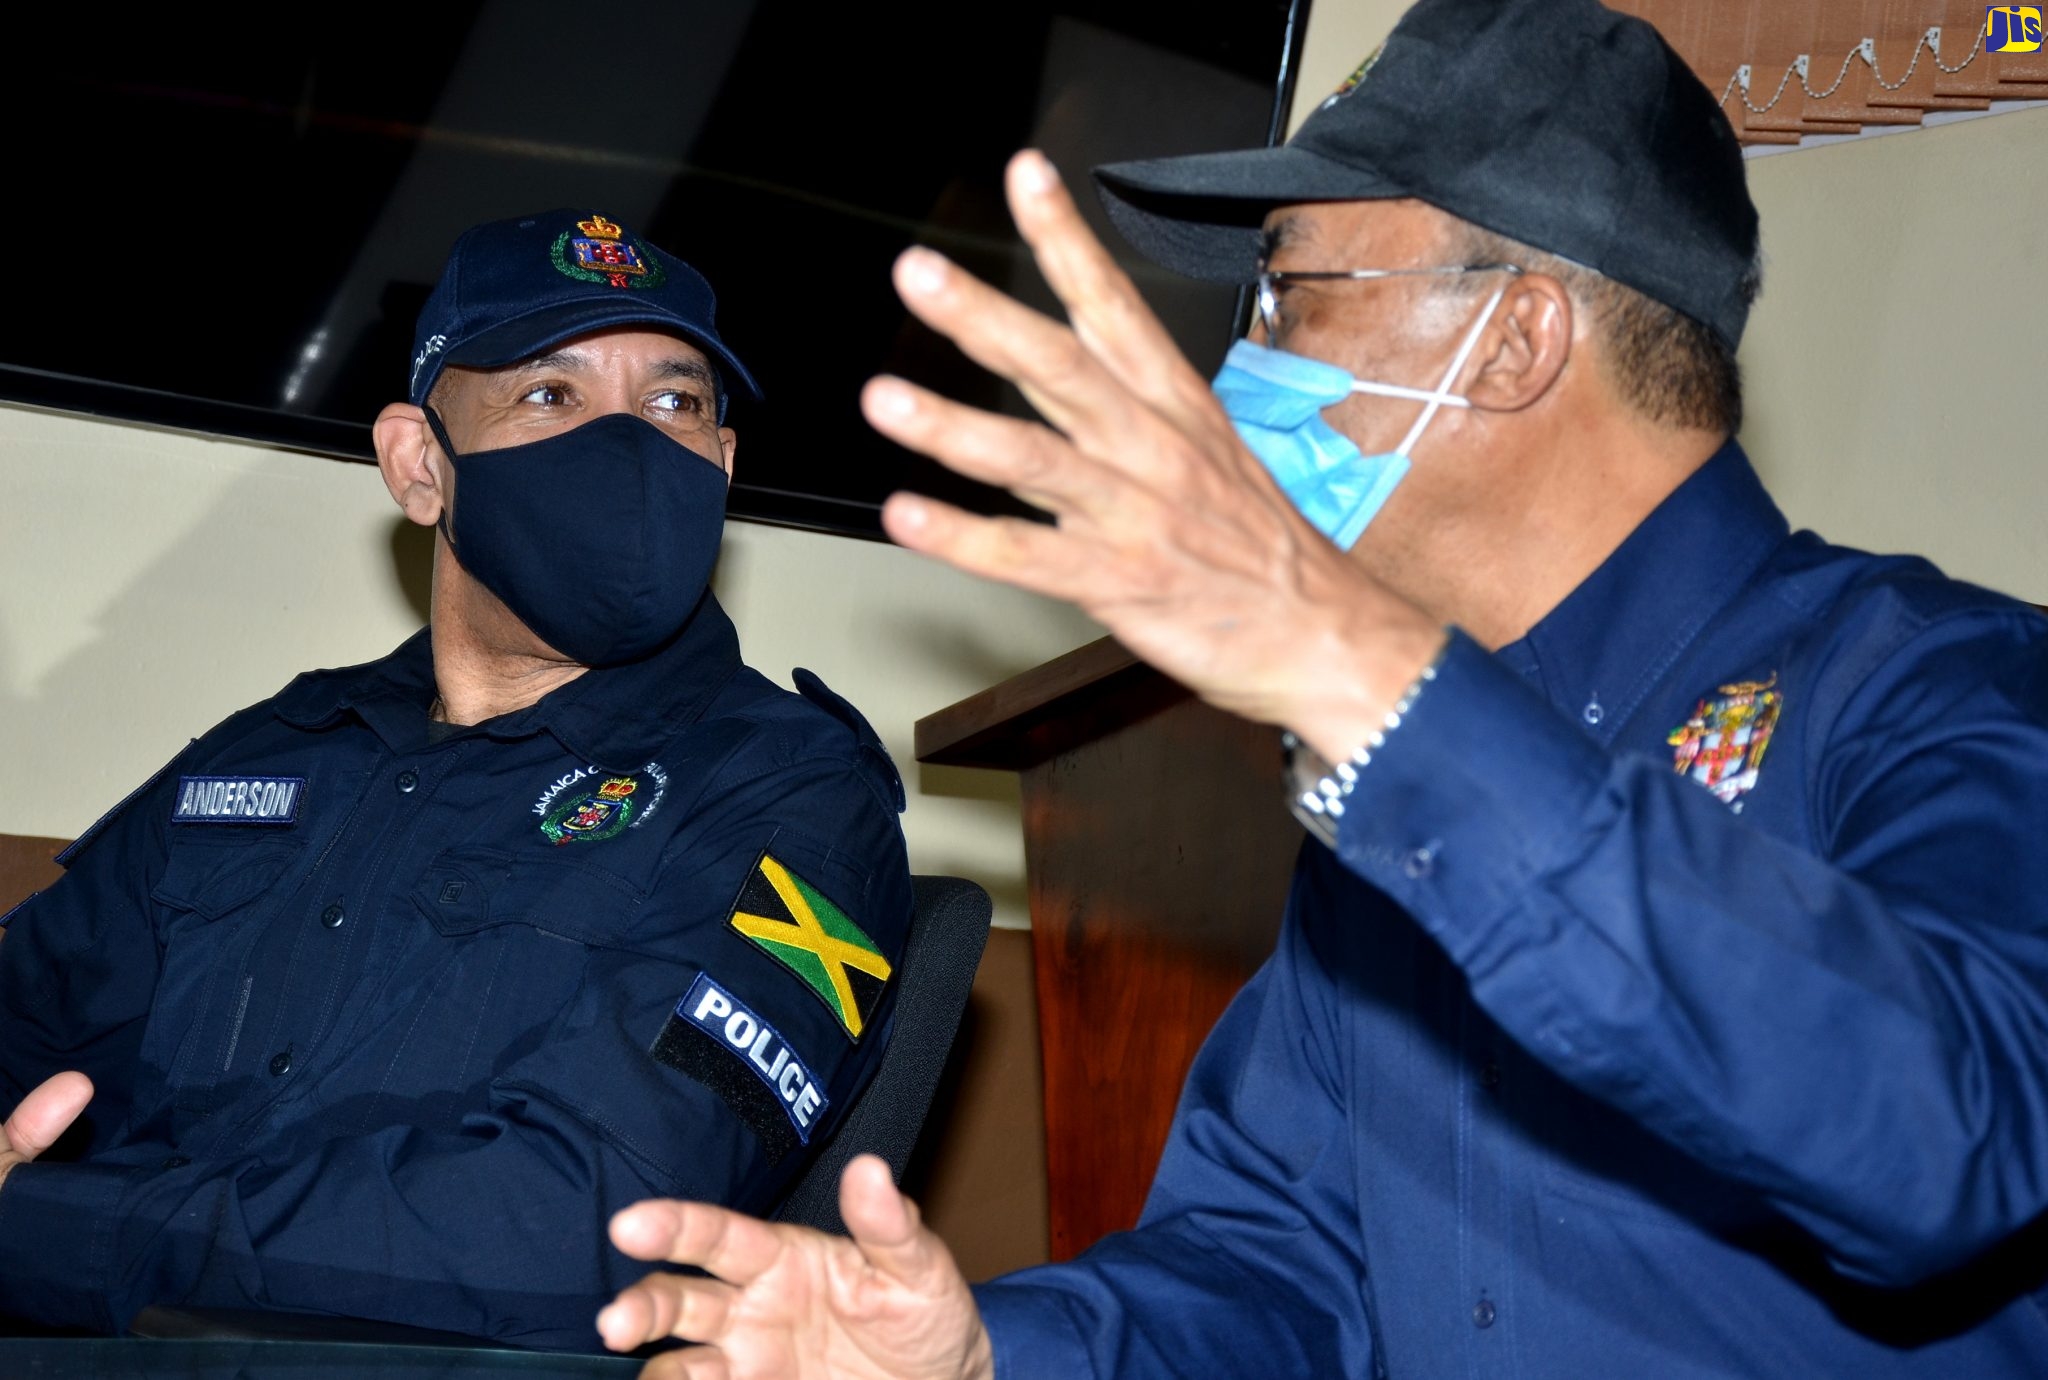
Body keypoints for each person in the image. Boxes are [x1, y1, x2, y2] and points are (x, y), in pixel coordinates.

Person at [592, 1, 2048, 1376]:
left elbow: (1952, 1136)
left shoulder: (1942, 687)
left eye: (1288, 296)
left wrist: (1361, 672)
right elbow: (1279, 1267)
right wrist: (986, 1353)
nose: (1244, 367)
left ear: (1516, 342)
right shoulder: (1381, 800)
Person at [0, 209, 913, 1349]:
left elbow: (581, 1230)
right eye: (551, 395)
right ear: (420, 465)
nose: (627, 447)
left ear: (722, 466)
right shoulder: (273, 752)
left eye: (673, 403)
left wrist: (51, 1231)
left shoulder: (791, 791)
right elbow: (24, 1010)